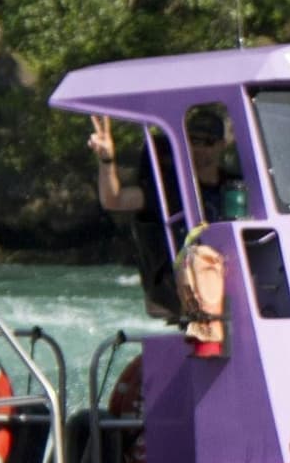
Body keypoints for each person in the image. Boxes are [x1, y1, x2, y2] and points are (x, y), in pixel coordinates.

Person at [89, 110, 242, 318]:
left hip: (235, 277)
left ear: (222, 145)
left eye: (208, 142)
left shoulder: (237, 188)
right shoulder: (168, 188)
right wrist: (107, 160)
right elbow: (114, 200)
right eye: (193, 141)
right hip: (188, 283)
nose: (199, 149)